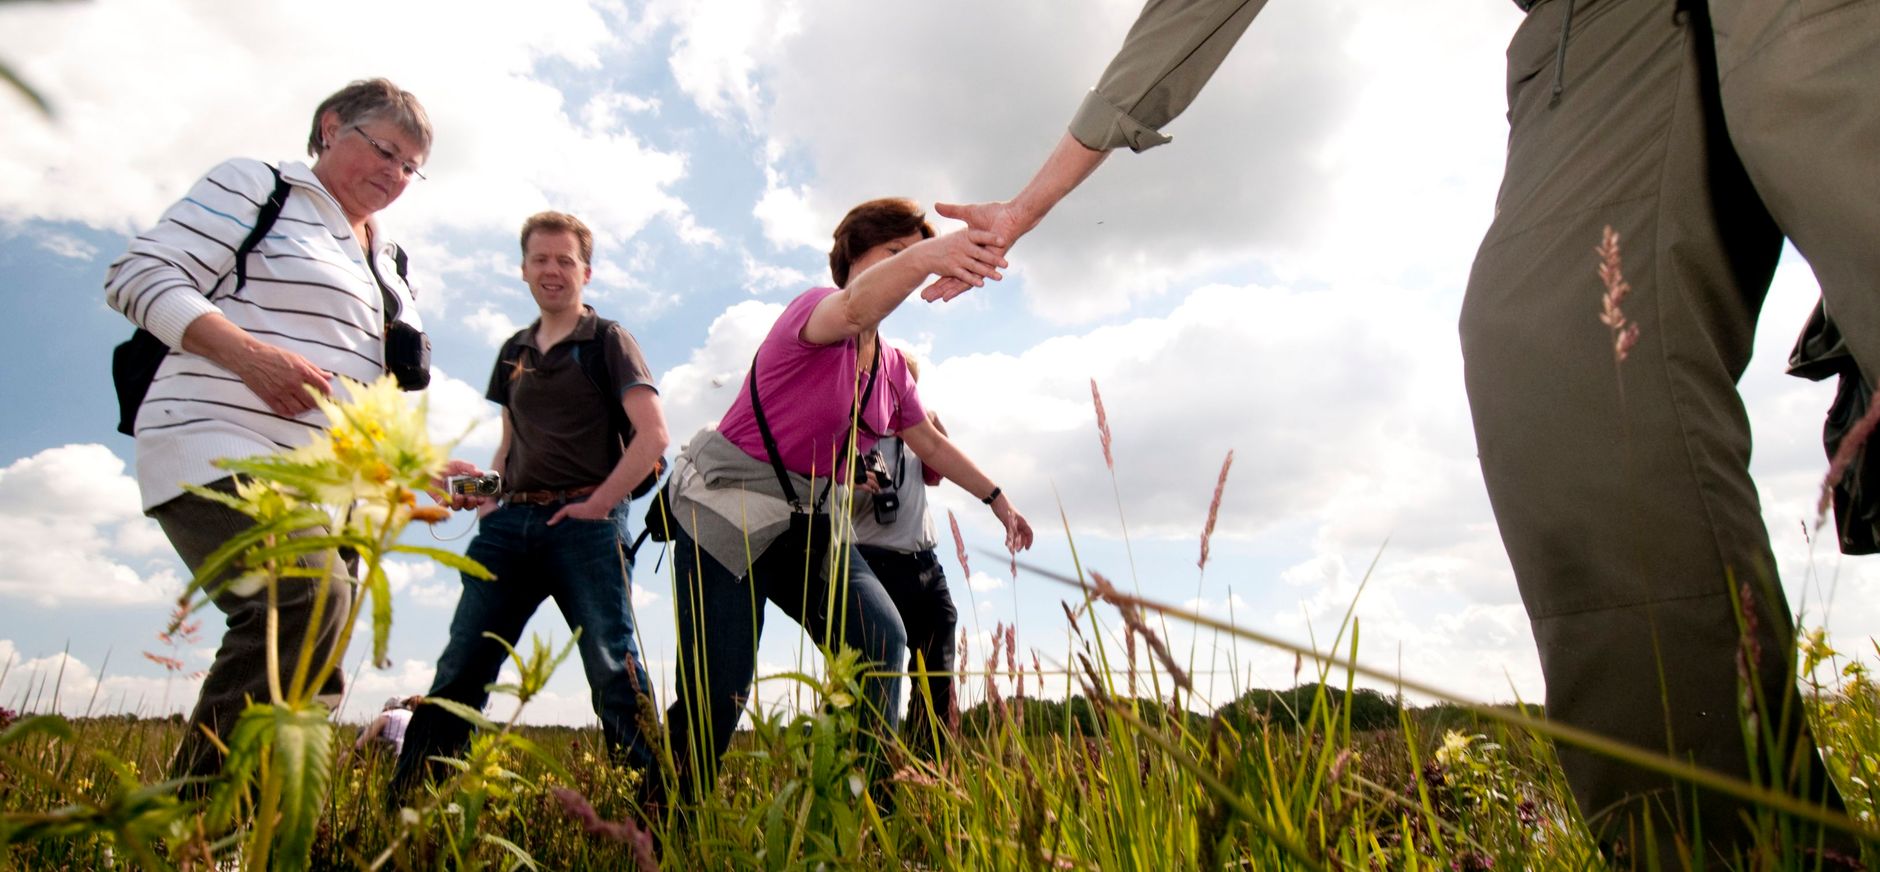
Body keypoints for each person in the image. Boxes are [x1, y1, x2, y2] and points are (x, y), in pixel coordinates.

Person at [929, 0, 1875, 864]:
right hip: (1599, 24)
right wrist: (1030, 202)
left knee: (1824, 126)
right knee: (1548, 344)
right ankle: (1738, 848)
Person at [103, 78, 484, 783]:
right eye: (385, 150)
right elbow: (140, 274)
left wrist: (418, 468)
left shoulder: (391, 264)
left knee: (315, 662)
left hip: (334, 486)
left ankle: (262, 825)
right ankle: (199, 827)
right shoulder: (261, 187)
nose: (396, 174)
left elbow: (360, 395)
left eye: (411, 167)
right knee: (304, 597)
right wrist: (249, 355)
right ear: (331, 127)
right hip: (221, 435)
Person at [662, 198, 1033, 803]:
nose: (911, 263)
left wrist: (997, 498)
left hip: (811, 522)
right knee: (718, 693)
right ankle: (662, 824)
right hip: (730, 513)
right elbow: (858, 305)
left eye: (915, 252)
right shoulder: (815, 311)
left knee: (881, 640)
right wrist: (929, 255)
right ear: (854, 259)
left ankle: (858, 809)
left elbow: (928, 442)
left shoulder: (891, 367)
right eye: (896, 253)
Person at [389, 211, 668, 802]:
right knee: (462, 667)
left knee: (613, 670)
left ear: (586, 272)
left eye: (565, 260)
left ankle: (655, 817)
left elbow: (653, 438)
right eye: (540, 259)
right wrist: (480, 496)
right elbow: (510, 451)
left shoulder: (608, 340)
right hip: (508, 525)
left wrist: (598, 506)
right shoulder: (512, 351)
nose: (552, 270)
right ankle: (413, 808)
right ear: (523, 269)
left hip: (587, 527)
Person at [850, 357, 961, 758]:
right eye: (897, 385)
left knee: (938, 676)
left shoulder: (917, 432)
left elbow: (935, 474)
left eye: (910, 386)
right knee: (876, 675)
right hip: (874, 564)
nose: (903, 394)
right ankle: (872, 768)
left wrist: (939, 436)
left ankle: (930, 770)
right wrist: (856, 483)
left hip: (926, 563)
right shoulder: (853, 434)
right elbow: (832, 500)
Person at [353, 696, 421, 762]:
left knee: (362, 731)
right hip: (413, 758)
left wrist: (350, 751)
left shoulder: (388, 714)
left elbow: (360, 743)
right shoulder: (414, 716)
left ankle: (359, 764)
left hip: (394, 758)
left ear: (388, 708)